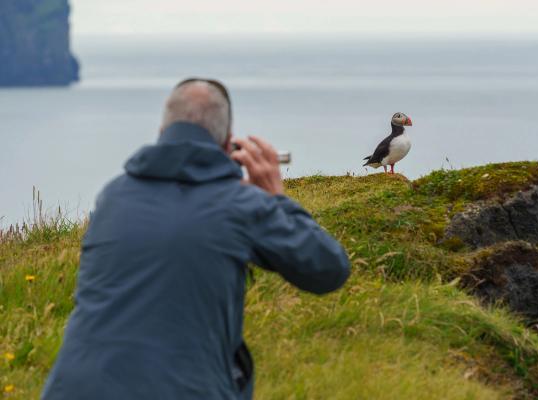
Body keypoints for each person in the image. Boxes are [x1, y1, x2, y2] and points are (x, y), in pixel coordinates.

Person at [41, 78, 350, 400]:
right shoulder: (240, 204)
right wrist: (275, 197)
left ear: (162, 134)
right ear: (227, 142)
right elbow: (329, 268)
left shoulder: (113, 196)